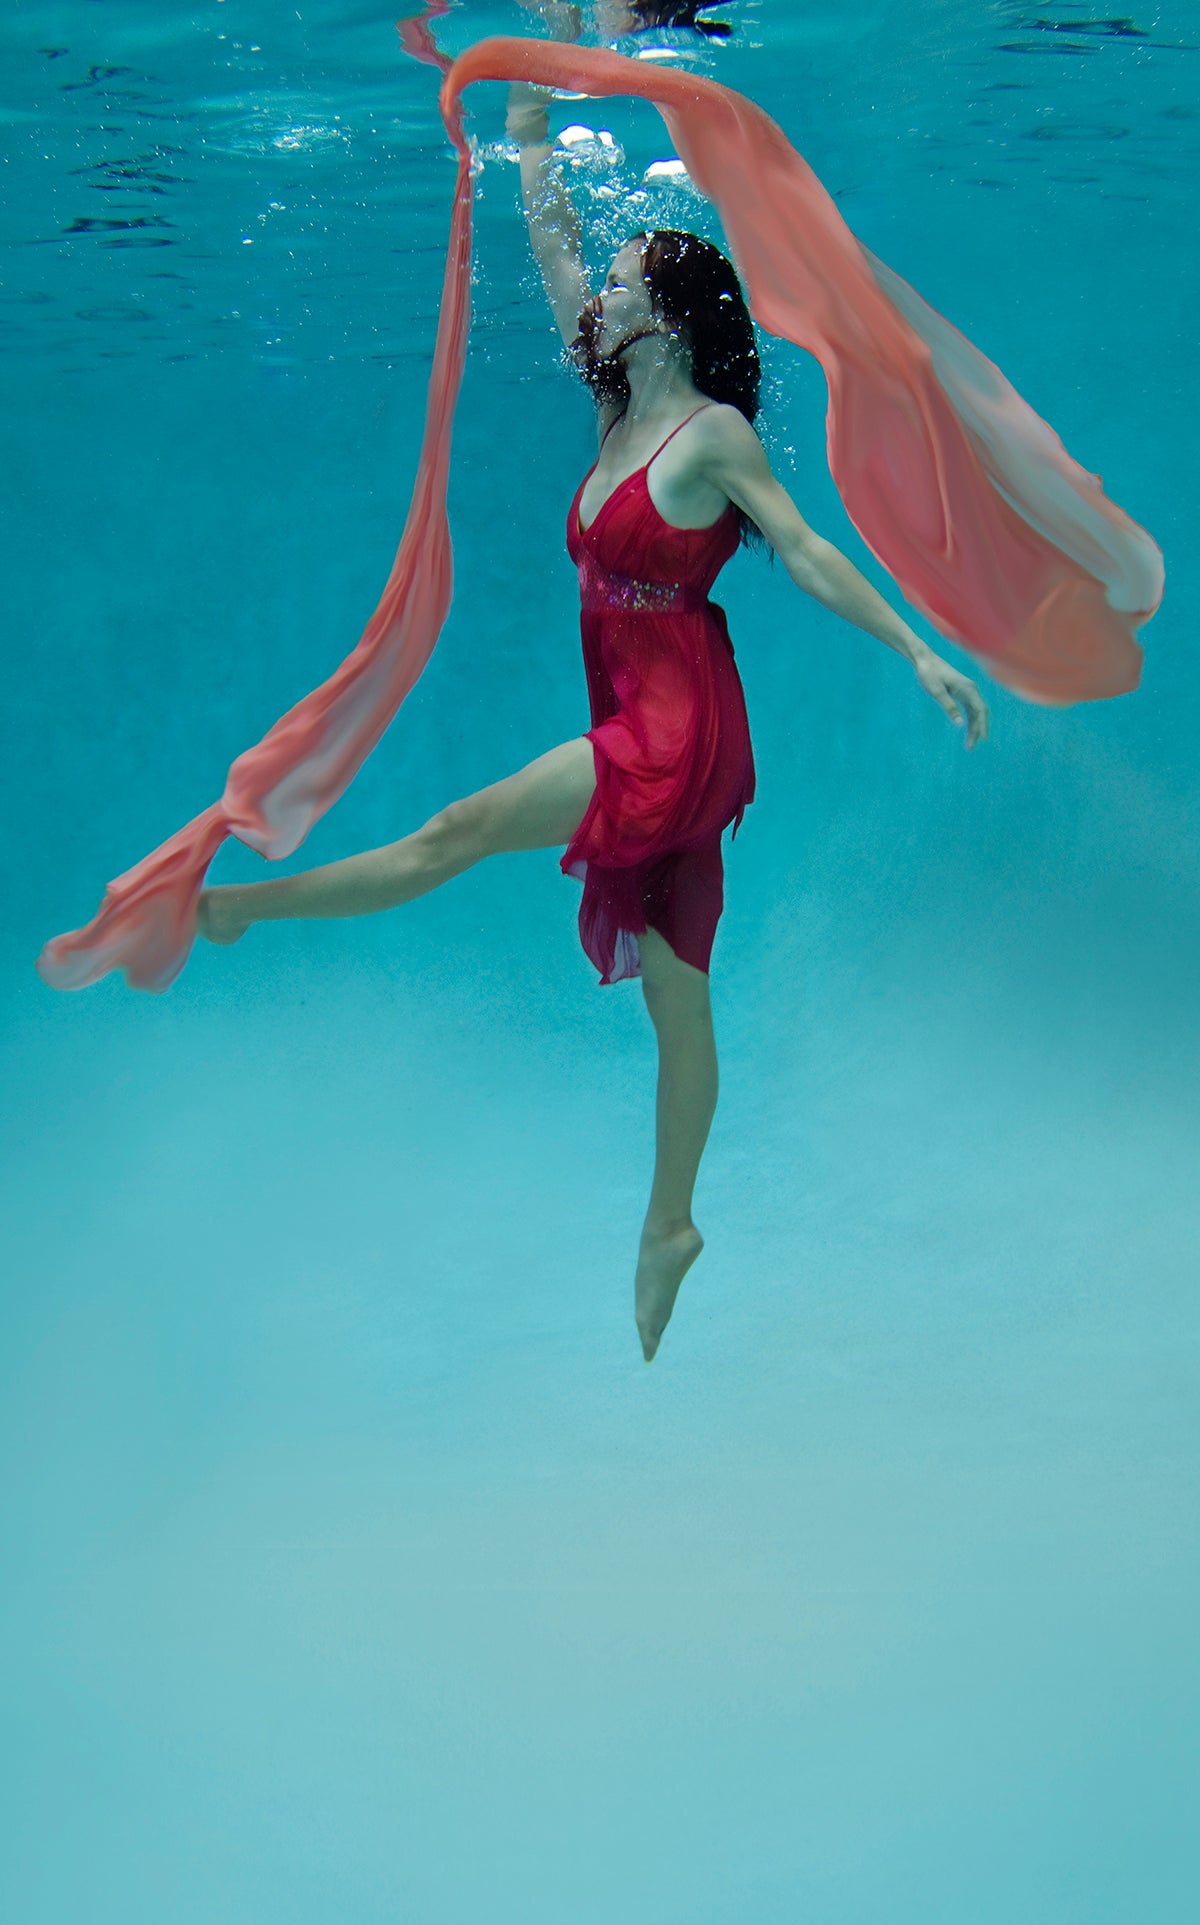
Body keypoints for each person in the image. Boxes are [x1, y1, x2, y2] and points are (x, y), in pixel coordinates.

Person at [196, 78, 988, 1362]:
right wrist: (521, 142)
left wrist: (915, 652)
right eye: (609, 284)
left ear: (669, 316)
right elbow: (558, 249)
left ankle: (237, 913)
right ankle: (671, 1225)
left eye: (626, 283)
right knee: (678, 996)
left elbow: (807, 550)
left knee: (458, 830)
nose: (602, 296)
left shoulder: (713, 432)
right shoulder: (619, 407)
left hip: (669, 733)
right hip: (642, 705)